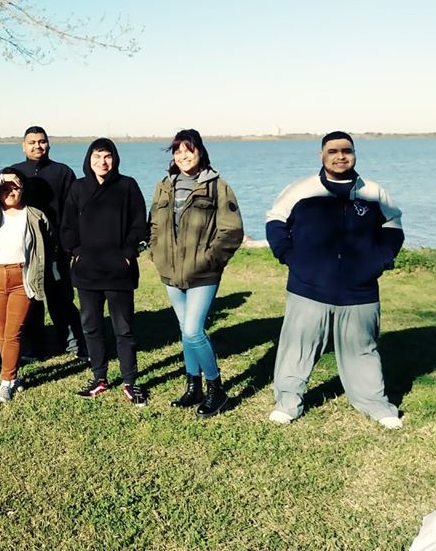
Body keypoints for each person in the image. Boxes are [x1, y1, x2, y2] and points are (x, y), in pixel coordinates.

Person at [265, 131, 405, 429]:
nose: (340, 156)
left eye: (347, 150)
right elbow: (275, 221)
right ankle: (288, 402)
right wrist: (291, 257)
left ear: (354, 154)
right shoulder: (302, 190)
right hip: (308, 287)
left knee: (362, 349)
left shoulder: (374, 192)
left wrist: (377, 262)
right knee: (297, 346)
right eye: (333, 151)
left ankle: (375, 403)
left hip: (359, 290)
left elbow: (394, 226)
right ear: (321, 155)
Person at [149, 129, 244, 418]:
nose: (182, 156)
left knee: (193, 331)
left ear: (199, 151)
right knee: (184, 331)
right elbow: (153, 225)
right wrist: (157, 254)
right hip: (170, 272)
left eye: (187, 150)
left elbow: (232, 231)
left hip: (203, 273)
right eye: (177, 151)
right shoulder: (164, 186)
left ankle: (218, 391)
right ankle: (194, 387)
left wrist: (209, 260)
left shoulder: (217, 187)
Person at [61, 138, 149, 406]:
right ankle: (99, 377)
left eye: (107, 156)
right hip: (87, 271)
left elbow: (139, 224)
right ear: (89, 159)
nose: (102, 162)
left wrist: (127, 253)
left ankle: (130, 381)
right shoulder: (79, 188)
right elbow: (66, 225)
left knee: (124, 328)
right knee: (91, 326)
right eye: (97, 157)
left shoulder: (127, 186)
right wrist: (75, 251)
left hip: (118, 271)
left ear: (115, 159)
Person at [0, 168, 54, 402]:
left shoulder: (35, 215)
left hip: (21, 278)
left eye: (15, 186)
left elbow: (46, 247)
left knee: (13, 333)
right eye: (5, 187)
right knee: (2, 333)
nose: (10, 191)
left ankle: (6, 381)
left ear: (23, 189)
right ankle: (14, 377)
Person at [11, 126, 86, 359]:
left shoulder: (62, 172)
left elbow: (74, 211)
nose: (37, 146)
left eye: (41, 142)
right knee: (30, 298)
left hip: (56, 248)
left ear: (48, 145)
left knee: (60, 296)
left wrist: (70, 244)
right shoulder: (14, 172)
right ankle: (34, 346)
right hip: (24, 249)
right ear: (23, 146)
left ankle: (75, 343)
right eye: (32, 142)